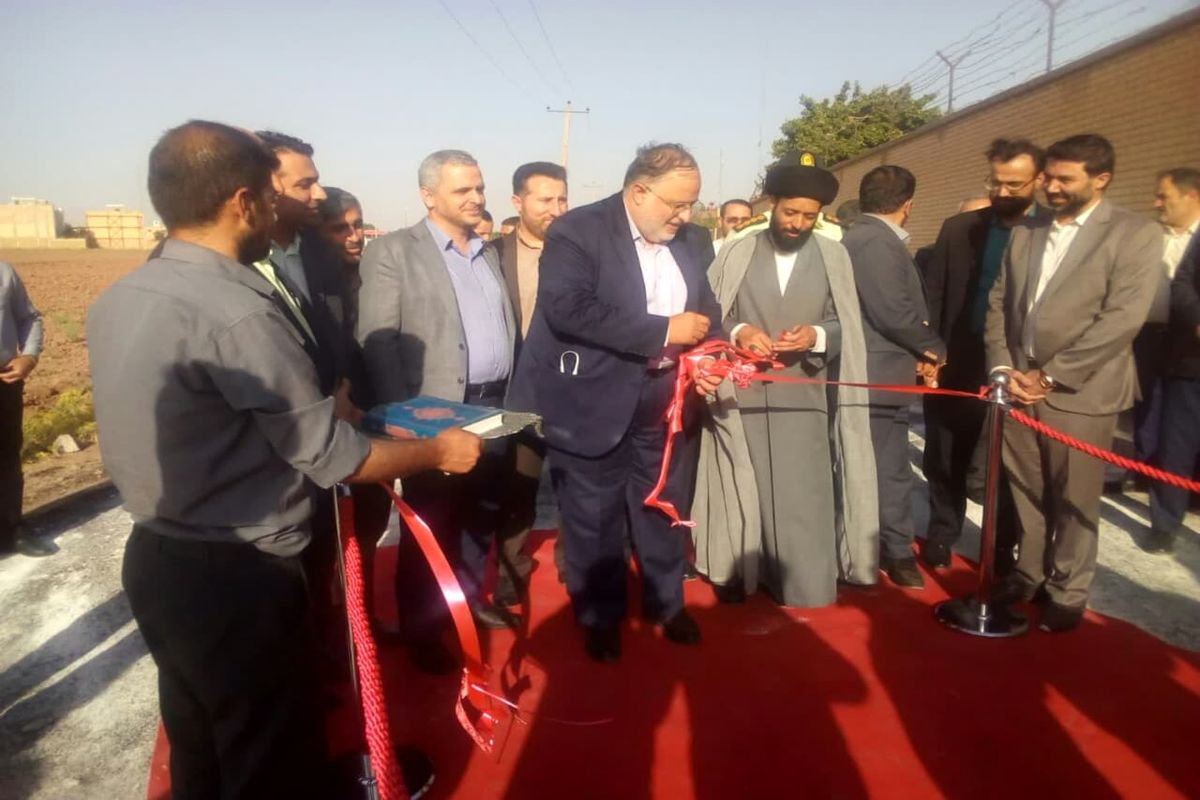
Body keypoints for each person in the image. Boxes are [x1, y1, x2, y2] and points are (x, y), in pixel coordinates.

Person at [87, 120, 481, 799]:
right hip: (239, 575)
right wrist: (438, 449)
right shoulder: (238, 311)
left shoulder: (125, 295)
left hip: (158, 558)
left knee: (202, 744)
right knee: (270, 756)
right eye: (274, 197)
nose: (289, 207)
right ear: (244, 202)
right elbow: (330, 456)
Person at [509, 143, 723, 662]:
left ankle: (666, 603)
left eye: (691, 204)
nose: (685, 216)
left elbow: (707, 310)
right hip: (592, 398)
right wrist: (663, 330)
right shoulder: (578, 230)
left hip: (665, 400)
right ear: (639, 191)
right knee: (594, 516)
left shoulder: (691, 239)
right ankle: (600, 616)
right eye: (676, 204)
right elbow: (568, 309)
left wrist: (712, 353)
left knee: (662, 507)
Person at [985, 134, 1161, 631]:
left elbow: (1121, 319)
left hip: (1081, 393)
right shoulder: (1028, 230)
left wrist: (1051, 375)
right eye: (1049, 177)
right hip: (1017, 385)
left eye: (1066, 179)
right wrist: (1004, 367)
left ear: (1101, 179)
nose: (1052, 187)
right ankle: (1029, 573)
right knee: (1027, 490)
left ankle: (1068, 589)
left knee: (1074, 498)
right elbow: (998, 302)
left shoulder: (1134, 233)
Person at [357, 149, 519, 672]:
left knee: (480, 514)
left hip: (494, 405)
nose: (476, 198)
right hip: (434, 415)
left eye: (479, 187)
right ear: (428, 196)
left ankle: (466, 602)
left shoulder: (487, 252)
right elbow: (378, 341)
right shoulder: (393, 252)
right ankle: (424, 629)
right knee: (432, 524)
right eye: (462, 190)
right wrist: (404, 420)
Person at [693, 160, 878, 607]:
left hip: (804, 394)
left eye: (808, 216)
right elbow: (713, 315)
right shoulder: (737, 251)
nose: (797, 223)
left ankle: (802, 582)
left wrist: (815, 336)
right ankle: (739, 572)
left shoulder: (834, 256)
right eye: (790, 212)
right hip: (742, 394)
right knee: (744, 481)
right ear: (772, 205)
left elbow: (847, 325)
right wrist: (740, 333)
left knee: (802, 492)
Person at [921, 139, 1046, 570]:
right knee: (945, 453)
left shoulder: (1049, 232)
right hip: (960, 358)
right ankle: (942, 532)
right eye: (996, 182)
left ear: (1038, 180)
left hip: (1022, 367)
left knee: (1010, 463)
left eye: (1014, 184)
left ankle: (1002, 548)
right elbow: (934, 295)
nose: (1002, 192)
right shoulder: (959, 229)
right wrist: (930, 350)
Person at [842, 165, 946, 589]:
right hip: (877, 373)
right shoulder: (875, 242)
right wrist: (934, 349)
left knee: (881, 464)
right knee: (889, 467)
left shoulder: (864, 237)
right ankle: (895, 549)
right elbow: (893, 312)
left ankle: (883, 543)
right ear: (908, 204)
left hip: (880, 370)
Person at [492, 161, 569, 605]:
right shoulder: (491, 255)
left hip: (574, 391)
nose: (556, 209)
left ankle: (575, 566)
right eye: (545, 200)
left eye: (562, 199)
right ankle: (510, 571)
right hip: (517, 394)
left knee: (574, 486)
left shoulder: (582, 252)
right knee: (516, 489)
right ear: (518, 202)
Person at [1132, 168, 1200, 471]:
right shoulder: (1151, 237)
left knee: (1182, 417)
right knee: (1148, 405)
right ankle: (1144, 468)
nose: (1156, 203)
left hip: (1190, 341)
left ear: (1192, 196)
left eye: (1164, 196)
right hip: (1150, 333)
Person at [1146, 173, 1200, 553]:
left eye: (1164, 196)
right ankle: (1165, 522)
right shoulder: (1182, 241)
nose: (1157, 203)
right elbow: (1180, 285)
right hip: (1184, 356)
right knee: (1173, 440)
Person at [0, 261, 52, 558]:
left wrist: (29, 356)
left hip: (4, 379)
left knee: (7, 456)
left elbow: (29, 318)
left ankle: (11, 528)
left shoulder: (3, 272)